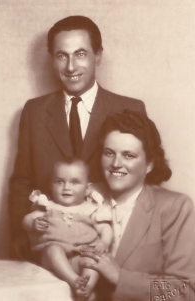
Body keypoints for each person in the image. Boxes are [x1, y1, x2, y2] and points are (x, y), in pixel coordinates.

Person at [9, 15, 146, 261]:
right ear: (52, 60)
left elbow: (144, 188)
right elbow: (21, 181)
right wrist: (21, 238)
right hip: (49, 250)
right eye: (62, 56)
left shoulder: (130, 109)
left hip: (113, 248)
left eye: (80, 54)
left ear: (98, 56)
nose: (71, 67)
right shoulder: (34, 111)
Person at [80, 110, 195, 301]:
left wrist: (120, 278)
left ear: (149, 164)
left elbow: (186, 290)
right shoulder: (85, 196)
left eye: (129, 155)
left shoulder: (175, 207)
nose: (116, 163)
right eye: (109, 153)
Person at [22, 158, 113, 301]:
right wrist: (34, 223)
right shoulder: (48, 206)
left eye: (74, 182)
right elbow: (27, 219)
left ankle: (86, 288)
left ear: (87, 189)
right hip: (54, 260)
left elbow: (105, 228)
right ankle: (74, 281)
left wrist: (104, 242)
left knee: (94, 259)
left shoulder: (91, 209)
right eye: (60, 182)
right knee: (53, 249)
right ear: (51, 186)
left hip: (80, 256)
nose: (66, 187)